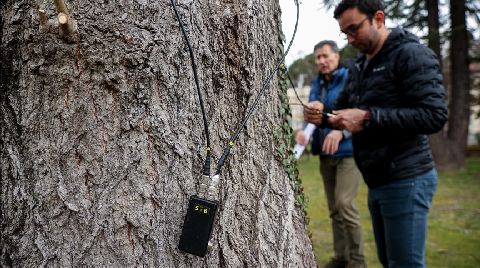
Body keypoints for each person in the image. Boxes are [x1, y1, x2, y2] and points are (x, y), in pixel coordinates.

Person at [303, 1, 448, 267]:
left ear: (378, 18)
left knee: (404, 264)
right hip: (377, 179)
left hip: (407, 178)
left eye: (354, 29)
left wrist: (369, 117)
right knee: (388, 261)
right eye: (344, 32)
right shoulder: (360, 64)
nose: (349, 38)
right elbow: (342, 110)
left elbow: (434, 115)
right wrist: (321, 114)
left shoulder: (412, 54)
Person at [296, 40, 366, 268]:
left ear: (337, 56)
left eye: (325, 56)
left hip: (348, 152)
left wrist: (341, 133)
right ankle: (340, 257)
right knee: (334, 209)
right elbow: (315, 117)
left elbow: (361, 113)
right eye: (318, 57)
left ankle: (358, 261)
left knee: (345, 204)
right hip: (325, 154)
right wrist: (304, 131)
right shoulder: (317, 82)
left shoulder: (350, 77)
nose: (322, 61)